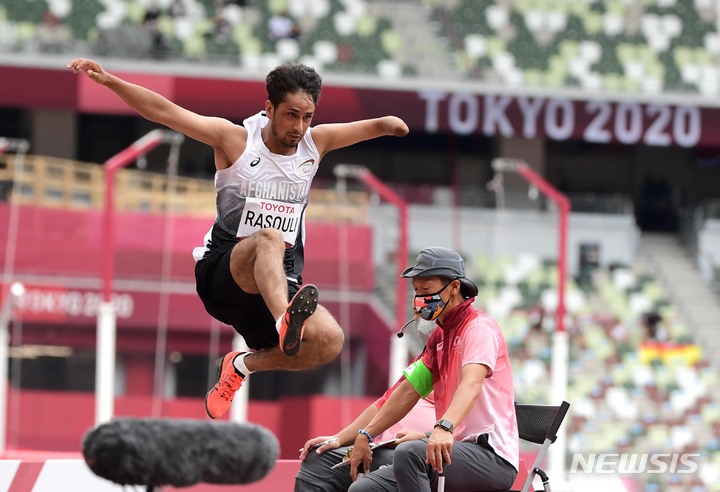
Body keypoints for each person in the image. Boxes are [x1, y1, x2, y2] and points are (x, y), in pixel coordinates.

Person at [67, 58, 409, 419]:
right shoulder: (234, 140)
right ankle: (285, 321)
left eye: (307, 117)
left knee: (329, 341)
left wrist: (392, 125)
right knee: (269, 238)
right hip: (224, 275)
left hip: (275, 284)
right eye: (291, 115)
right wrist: (108, 81)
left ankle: (242, 366)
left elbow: (377, 125)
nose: (299, 127)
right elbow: (164, 111)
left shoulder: (315, 144)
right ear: (269, 108)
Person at [347, 247, 519, 491]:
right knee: (363, 489)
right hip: (450, 448)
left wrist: (443, 428)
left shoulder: (479, 328)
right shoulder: (439, 337)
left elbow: (471, 384)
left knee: (410, 453)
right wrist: (366, 434)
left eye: (426, 290)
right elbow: (407, 392)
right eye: (416, 291)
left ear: (455, 287)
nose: (419, 298)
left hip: (493, 458)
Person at [295, 319, 437, 492]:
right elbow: (383, 404)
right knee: (317, 457)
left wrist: (423, 437)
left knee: (368, 483)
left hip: (418, 454)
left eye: (424, 313)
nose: (419, 319)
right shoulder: (424, 361)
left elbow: (469, 428)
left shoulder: (466, 360)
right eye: (416, 313)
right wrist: (339, 438)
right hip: (380, 448)